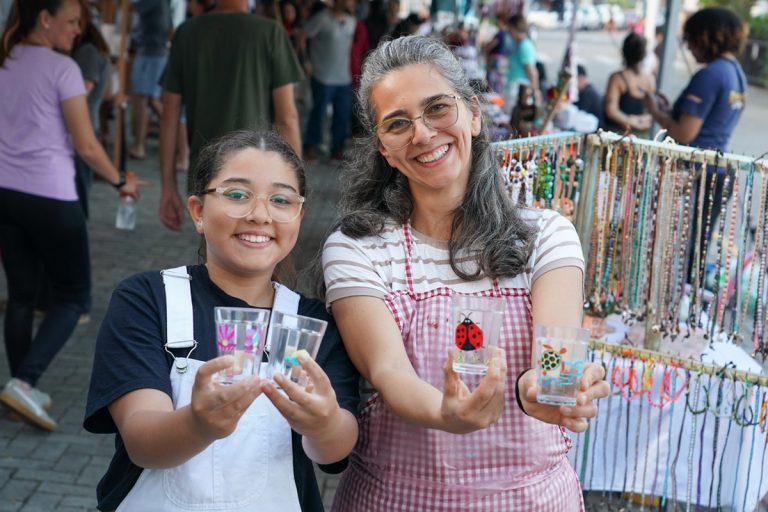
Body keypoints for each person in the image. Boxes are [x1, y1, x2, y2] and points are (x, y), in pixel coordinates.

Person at [320, 35, 609, 510]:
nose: (422, 133)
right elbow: (388, 371)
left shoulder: (545, 234)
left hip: (532, 500)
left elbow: (555, 352)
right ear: (384, 149)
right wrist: (447, 413)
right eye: (398, 123)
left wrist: (543, 389)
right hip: (397, 500)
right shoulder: (358, 249)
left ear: (473, 113)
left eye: (437, 108)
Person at [84, 130, 359, 511]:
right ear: (197, 211)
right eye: (236, 194)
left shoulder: (308, 322)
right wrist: (197, 424)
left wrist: (324, 423)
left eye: (281, 200)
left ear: (298, 216)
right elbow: (141, 439)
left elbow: (333, 453)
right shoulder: (149, 300)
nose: (260, 215)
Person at [0, 0, 145, 432]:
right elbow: (86, 144)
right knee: (74, 297)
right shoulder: (61, 69)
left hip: (5, 193)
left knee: (23, 295)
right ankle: (25, 381)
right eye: (71, 21)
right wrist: (121, 179)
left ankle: (19, 387)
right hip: (51, 195)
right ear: (44, 19)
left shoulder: (5, 62)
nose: (77, 30)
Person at [158, 0, 304, 231]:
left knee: (214, 256)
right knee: (260, 250)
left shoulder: (187, 32)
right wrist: (296, 189)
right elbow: (287, 118)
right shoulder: (270, 32)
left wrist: (168, 187)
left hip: (206, 170)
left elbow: (169, 113)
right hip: (260, 172)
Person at [644, 7, 747, 282]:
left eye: (690, 39)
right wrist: (671, 110)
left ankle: (676, 306)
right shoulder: (735, 72)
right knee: (697, 248)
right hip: (718, 169)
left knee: (679, 247)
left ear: (705, 36)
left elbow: (685, 133)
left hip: (696, 173)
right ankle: (686, 303)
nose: (688, 47)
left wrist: (655, 111)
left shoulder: (710, 74)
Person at [302, 0, 355, 161]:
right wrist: (306, 61)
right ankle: (311, 146)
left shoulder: (352, 21)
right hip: (323, 76)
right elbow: (302, 36)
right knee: (318, 114)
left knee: (342, 115)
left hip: (343, 77)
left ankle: (336, 150)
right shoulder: (322, 18)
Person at [127, 0, 171, 160]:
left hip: (152, 52)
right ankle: (182, 138)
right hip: (151, 50)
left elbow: (130, 6)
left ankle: (139, 146)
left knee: (142, 99)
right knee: (149, 100)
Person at [603, 32, 654, 135]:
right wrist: (641, 121)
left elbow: (611, 110)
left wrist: (631, 121)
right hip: (641, 138)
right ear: (644, 54)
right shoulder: (650, 78)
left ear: (624, 52)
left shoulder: (617, 78)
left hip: (618, 137)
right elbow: (653, 111)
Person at [506, 14, 540, 105]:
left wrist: (535, 91)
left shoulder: (524, 45)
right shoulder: (522, 44)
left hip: (519, 88)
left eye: (509, 28)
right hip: (517, 87)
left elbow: (532, 71)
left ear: (514, 28)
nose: (509, 32)